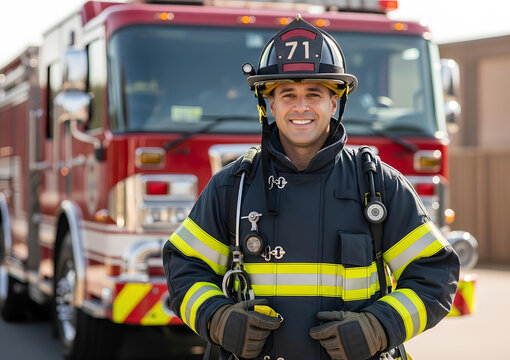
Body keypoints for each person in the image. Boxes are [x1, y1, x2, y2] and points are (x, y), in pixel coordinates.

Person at [163, 15, 460, 360]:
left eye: (314, 94)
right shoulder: (232, 187)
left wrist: (379, 328)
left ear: (334, 103)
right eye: (287, 94)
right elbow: (185, 267)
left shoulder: (379, 185)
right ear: (269, 104)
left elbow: (435, 274)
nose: (300, 107)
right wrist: (217, 319)